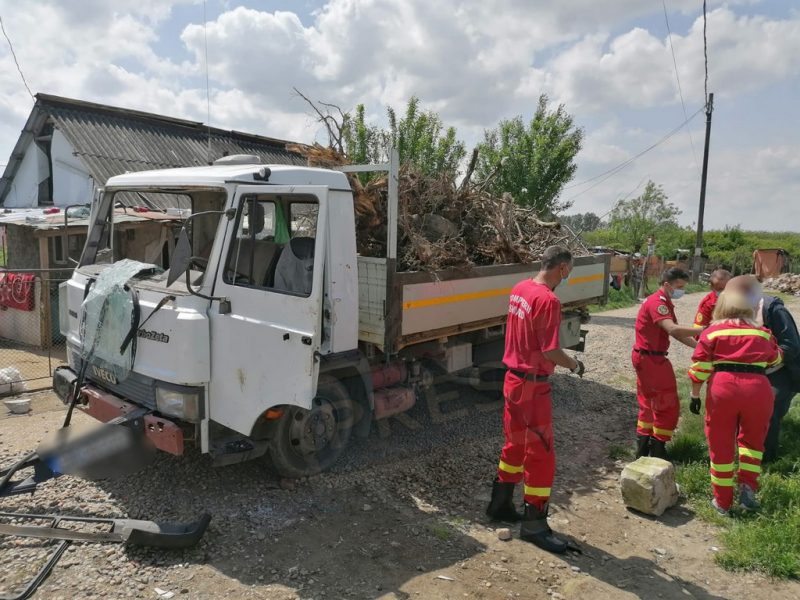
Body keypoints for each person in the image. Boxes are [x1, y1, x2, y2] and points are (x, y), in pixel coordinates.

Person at [485, 245, 585, 554]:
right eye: (569, 270)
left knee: (515, 444)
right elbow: (549, 350)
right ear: (563, 269)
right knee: (541, 453)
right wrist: (574, 364)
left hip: (514, 381)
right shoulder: (548, 300)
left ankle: (500, 505)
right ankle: (535, 525)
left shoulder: (520, 288)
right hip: (532, 385)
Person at [688, 290, 782, 514]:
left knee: (720, 441)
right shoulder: (763, 333)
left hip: (724, 387)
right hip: (758, 388)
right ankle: (748, 490)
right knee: (753, 441)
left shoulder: (712, 332)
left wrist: (694, 394)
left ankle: (722, 502)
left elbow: (700, 368)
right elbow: (776, 359)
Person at [726, 275, 799, 462]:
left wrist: (765, 360)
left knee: (768, 411)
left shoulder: (773, 310)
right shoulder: (731, 310)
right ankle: (742, 450)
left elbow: (791, 345)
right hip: (746, 372)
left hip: (777, 371)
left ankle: (766, 460)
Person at [632, 268, 698, 460]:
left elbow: (675, 333)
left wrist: (699, 346)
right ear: (667, 284)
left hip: (647, 357)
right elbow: (673, 329)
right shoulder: (657, 303)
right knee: (667, 403)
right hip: (652, 359)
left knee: (648, 402)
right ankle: (658, 450)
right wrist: (705, 329)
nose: (681, 291)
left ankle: (643, 451)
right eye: (679, 287)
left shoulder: (663, 302)